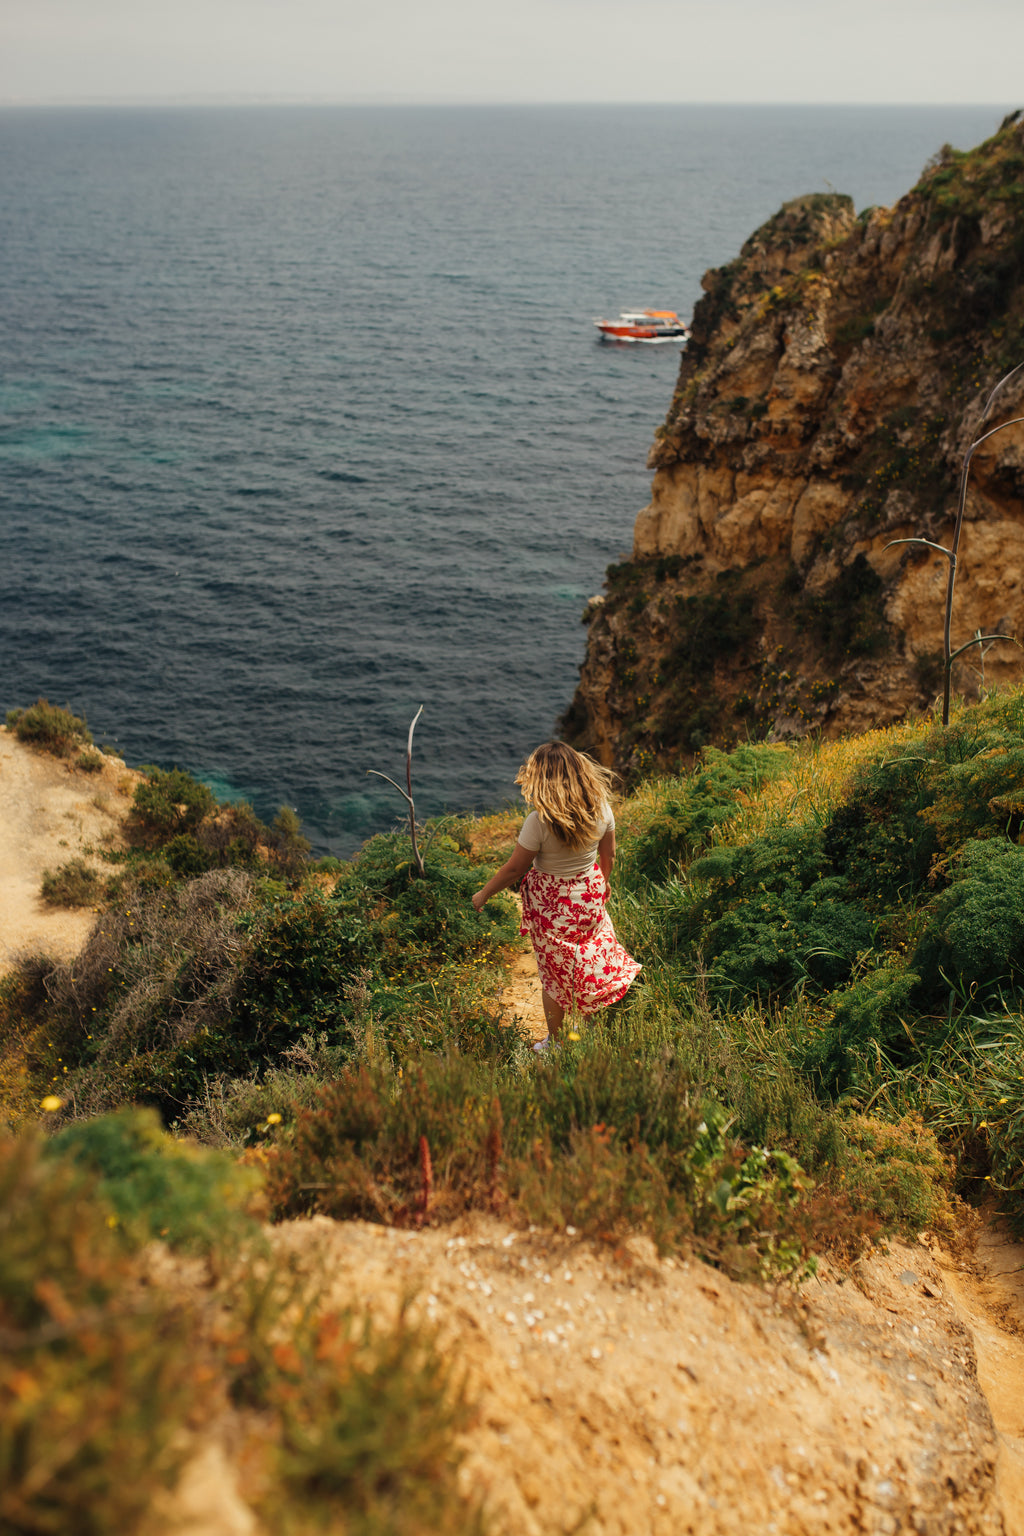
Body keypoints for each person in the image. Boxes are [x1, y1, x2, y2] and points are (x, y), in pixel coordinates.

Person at [471, 741, 641, 1052]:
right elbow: (610, 856)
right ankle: (589, 1029)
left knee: (552, 974)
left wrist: (483, 893)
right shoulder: (602, 807)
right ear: (580, 771)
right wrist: (603, 884)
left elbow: (514, 870)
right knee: (588, 957)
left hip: (551, 905)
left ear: (540, 779)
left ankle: (557, 1042)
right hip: (589, 892)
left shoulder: (539, 821)